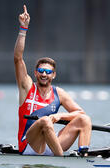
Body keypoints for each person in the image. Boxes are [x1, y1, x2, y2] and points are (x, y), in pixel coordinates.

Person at [14, 5, 92, 156]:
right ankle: (61, 161)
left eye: (48, 72)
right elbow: (18, 59)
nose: (44, 74)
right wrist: (23, 29)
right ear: (35, 73)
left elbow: (79, 112)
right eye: (41, 71)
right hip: (29, 145)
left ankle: (85, 157)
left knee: (84, 119)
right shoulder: (27, 87)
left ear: (53, 75)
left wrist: (60, 116)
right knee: (44, 121)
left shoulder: (59, 93)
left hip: (51, 142)